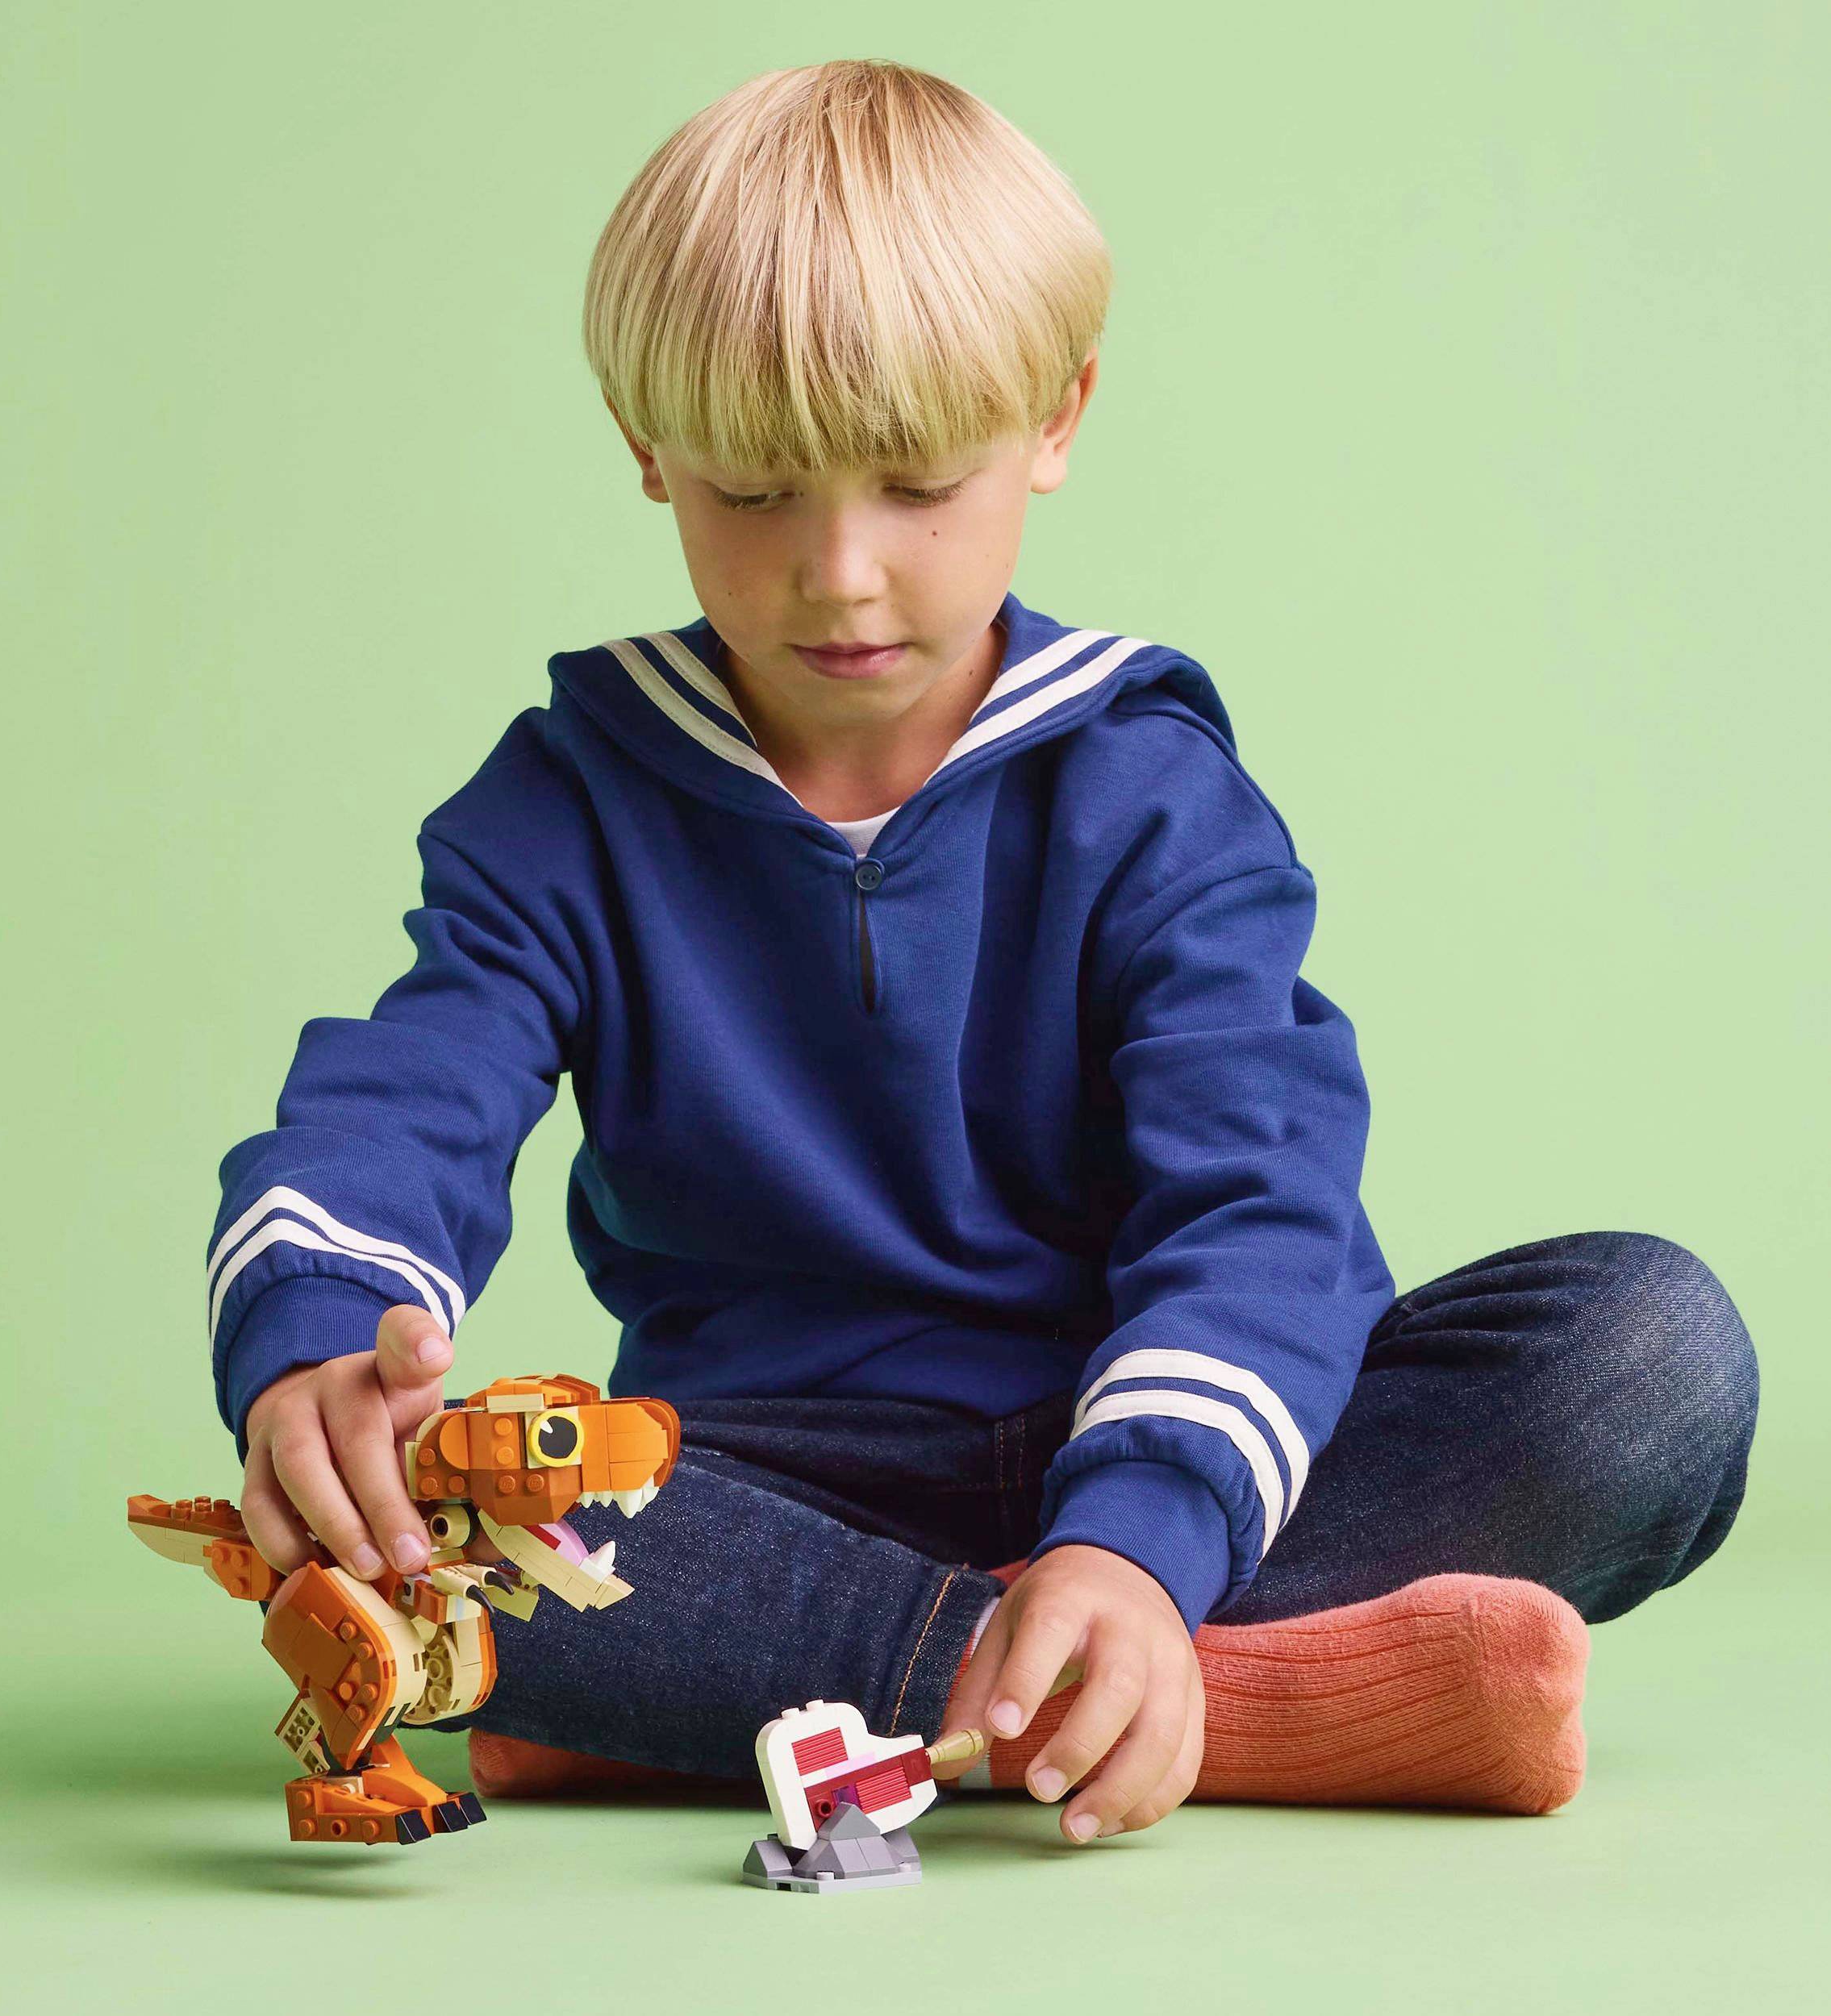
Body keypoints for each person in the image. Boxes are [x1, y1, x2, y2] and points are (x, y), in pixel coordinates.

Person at [210, 59, 1757, 1847]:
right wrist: (316, 1345)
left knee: (1647, 1354)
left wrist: (1131, 1531)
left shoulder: (1150, 796)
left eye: (915, 484)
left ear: (1052, 417)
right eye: (757, 493)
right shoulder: (564, 803)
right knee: (423, 1502)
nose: (841, 574)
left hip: (1155, 1434)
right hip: (765, 1468)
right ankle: (1213, 1697)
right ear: (648, 448)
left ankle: (812, 1692)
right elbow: (408, 1092)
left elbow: (1256, 1207)